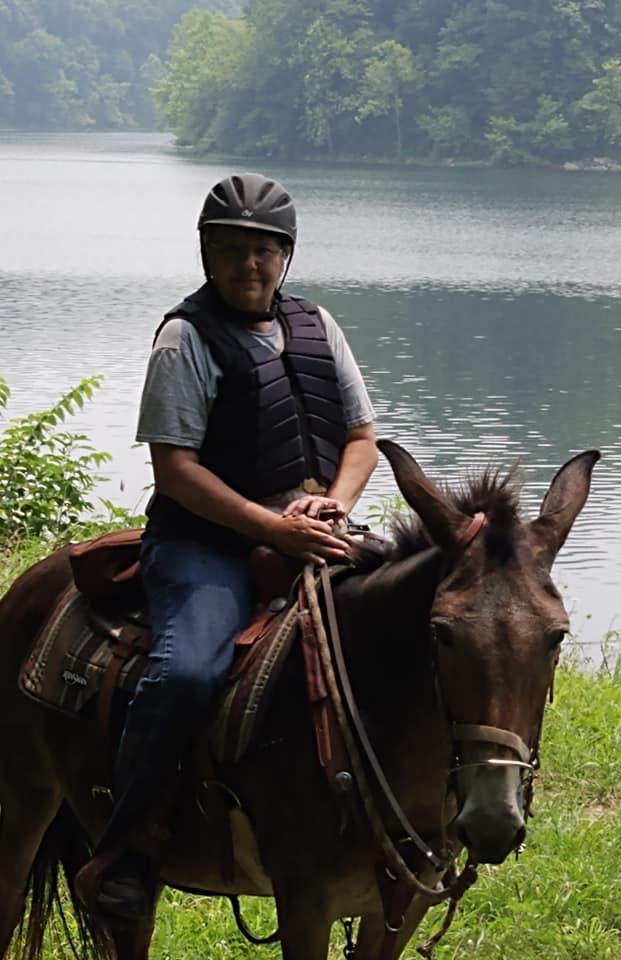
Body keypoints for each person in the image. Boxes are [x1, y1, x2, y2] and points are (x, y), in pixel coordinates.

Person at [75, 172, 377, 918]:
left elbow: (364, 440)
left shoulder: (317, 324)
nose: (252, 265)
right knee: (185, 673)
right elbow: (175, 471)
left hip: (316, 533)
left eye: (267, 251)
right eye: (235, 250)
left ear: (287, 257)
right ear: (208, 254)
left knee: (427, 622)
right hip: (206, 545)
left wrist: (333, 506)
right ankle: (128, 847)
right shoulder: (185, 338)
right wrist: (273, 527)